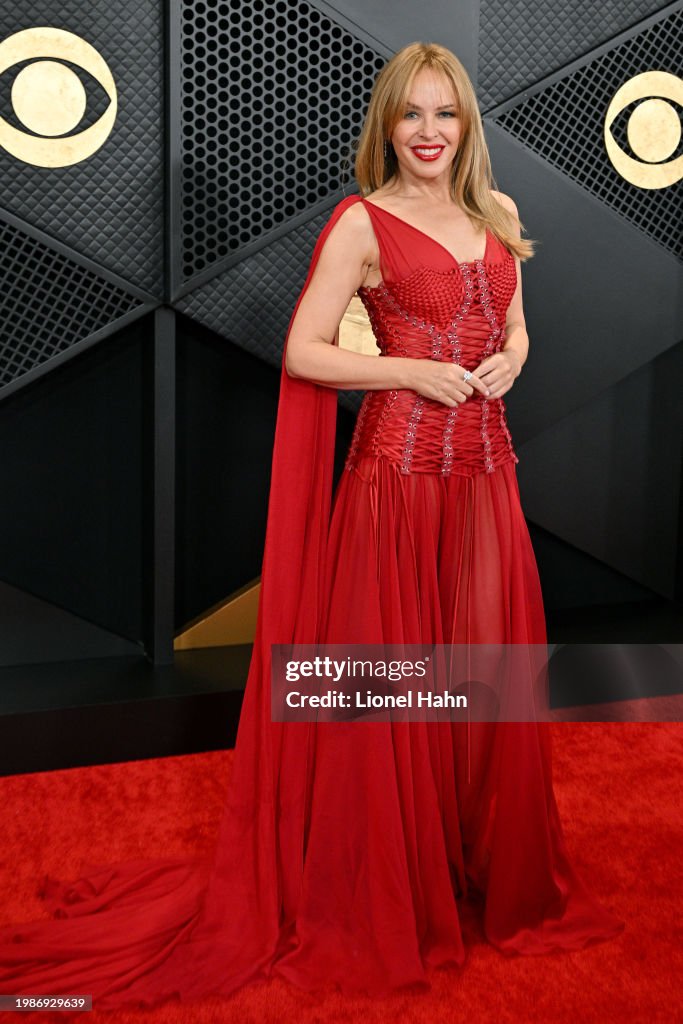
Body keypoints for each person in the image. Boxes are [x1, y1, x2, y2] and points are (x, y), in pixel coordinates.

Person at [0, 41, 624, 1010]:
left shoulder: (495, 214)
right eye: (409, 114)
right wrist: (408, 371)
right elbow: (302, 351)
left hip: (483, 481)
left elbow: (511, 319)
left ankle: (466, 869)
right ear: (386, 124)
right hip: (393, 480)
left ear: (466, 125)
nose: (425, 132)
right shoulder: (358, 222)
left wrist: (512, 354)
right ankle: (390, 894)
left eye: (443, 114)